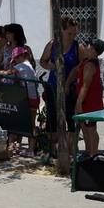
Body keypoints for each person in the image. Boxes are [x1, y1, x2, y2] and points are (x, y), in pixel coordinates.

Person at [39, 17, 81, 147]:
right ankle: (53, 150)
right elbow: (42, 61)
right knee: (52, 119)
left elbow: (79, 67)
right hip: (53, 87)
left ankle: (70, 150)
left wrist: (68, 83)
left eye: (74, 34)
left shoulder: (77, 46)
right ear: (62, 30)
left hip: (70, 88)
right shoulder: (52, 45)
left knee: (70, 119)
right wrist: (52, 67)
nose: (72, 36)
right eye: (69, 33)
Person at [75, 39, 104, 158]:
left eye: (88, 45)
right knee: (86, 128)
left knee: (91, 129)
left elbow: (85, 86)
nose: (85, 47)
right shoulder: (87, 61)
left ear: (93, 49)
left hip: (89, 102)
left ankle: (93, 153)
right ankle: (89, 152)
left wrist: (79, 102)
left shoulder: (90, 65)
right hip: (88, 101)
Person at [11, 47, 40, 157]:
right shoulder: (30, 66)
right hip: (33, 97)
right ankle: (29, 149)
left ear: (23, 56)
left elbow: (9, 72)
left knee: (28, 125)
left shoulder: (23, 66)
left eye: (17, 57)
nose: (16, 60)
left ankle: (30, 149)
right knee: (29, 124)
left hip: (29, 98)